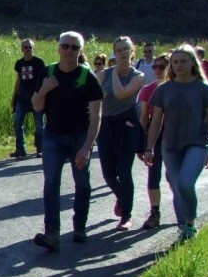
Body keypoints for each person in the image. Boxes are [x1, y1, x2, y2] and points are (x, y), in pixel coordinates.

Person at [30, 31, 103, 250]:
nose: (69, 51)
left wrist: (87, 148)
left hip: (79, 138)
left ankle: (79, 225)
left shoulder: (87, 78)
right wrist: (44, 89)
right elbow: (36, 105)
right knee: (51, 183)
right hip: (53, 136)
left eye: (74, 47)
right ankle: (52, 233)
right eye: (65, 46)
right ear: (58, 48)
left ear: (80, 51)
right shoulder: (48, 72)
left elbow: (97, 117)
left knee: (82, 182)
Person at [144, 44, 208, 243]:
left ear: (193, 63)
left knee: (186, 183)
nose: (179, 65)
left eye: (184, 61)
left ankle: (190, 223)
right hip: (170, 146)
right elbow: (156, 121)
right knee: (177, 186)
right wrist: (149, 147)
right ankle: (183, 229)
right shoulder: (163, 89)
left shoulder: (204, 89)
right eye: (175, 62)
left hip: (197, 143)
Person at [97, 36, 145, 230]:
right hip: (106, 125)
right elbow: (93, 97)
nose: (123, 53)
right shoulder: (102, 74)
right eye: (119, 50)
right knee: (108, 174)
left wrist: (116, 72)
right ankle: (121, 197)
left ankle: (126, 216)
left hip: (127, 125)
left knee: (124, 172)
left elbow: (121, 94)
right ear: (114, 53)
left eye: (126, 49)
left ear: (132, 51)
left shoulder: (138, 75)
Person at [138, 53, 170, 229]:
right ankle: (155, 213)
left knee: (173, 176)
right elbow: (144, 118)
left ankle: (182, 209)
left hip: (173, 135)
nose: (157, 70)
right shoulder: (148, 89)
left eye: (162, 66)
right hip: (154, 134)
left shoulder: (176, 87)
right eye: (155, 67)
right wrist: (143, 144)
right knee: (153, 174)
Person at [11, 38, 46, 158]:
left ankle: (40, 149)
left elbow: (44, 80)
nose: (27, 49)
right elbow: (18, 81)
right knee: (17, 123)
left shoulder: (39, 62)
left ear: (33, 48)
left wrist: (42, 96)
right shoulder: (19, 63)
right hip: (22, 99)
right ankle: (20, 150)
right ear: (21, 49)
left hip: (37, 97)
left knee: (39, 125)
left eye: (30, 47)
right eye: (25, 47)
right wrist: (14, 97)